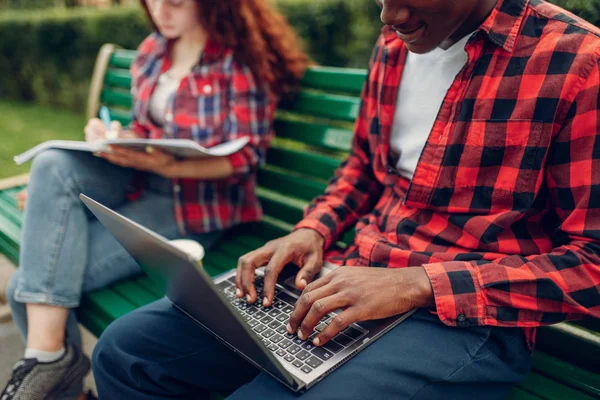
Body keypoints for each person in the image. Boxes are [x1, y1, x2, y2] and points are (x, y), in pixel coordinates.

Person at [92, 0, 600, 398]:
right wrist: (312, 230)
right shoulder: (398, 42)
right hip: (343, 277)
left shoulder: (579, 63)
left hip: (465, 319)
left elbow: (592, 264)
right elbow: (363, 167)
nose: (389, 14)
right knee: (125, 352)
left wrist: (418, 283)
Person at [1, 0, 309, 398]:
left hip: (197, 206)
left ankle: (63, 382)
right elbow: (145, 126)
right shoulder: (152, 51)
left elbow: (245, 158)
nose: (160, 10)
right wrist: (111, 135)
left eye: (175, 2)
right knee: (52, 163)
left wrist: (167, 166)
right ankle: (53, 367)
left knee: (23, 288)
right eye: (151, 0)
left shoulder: (238, 60)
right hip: (141, 183)